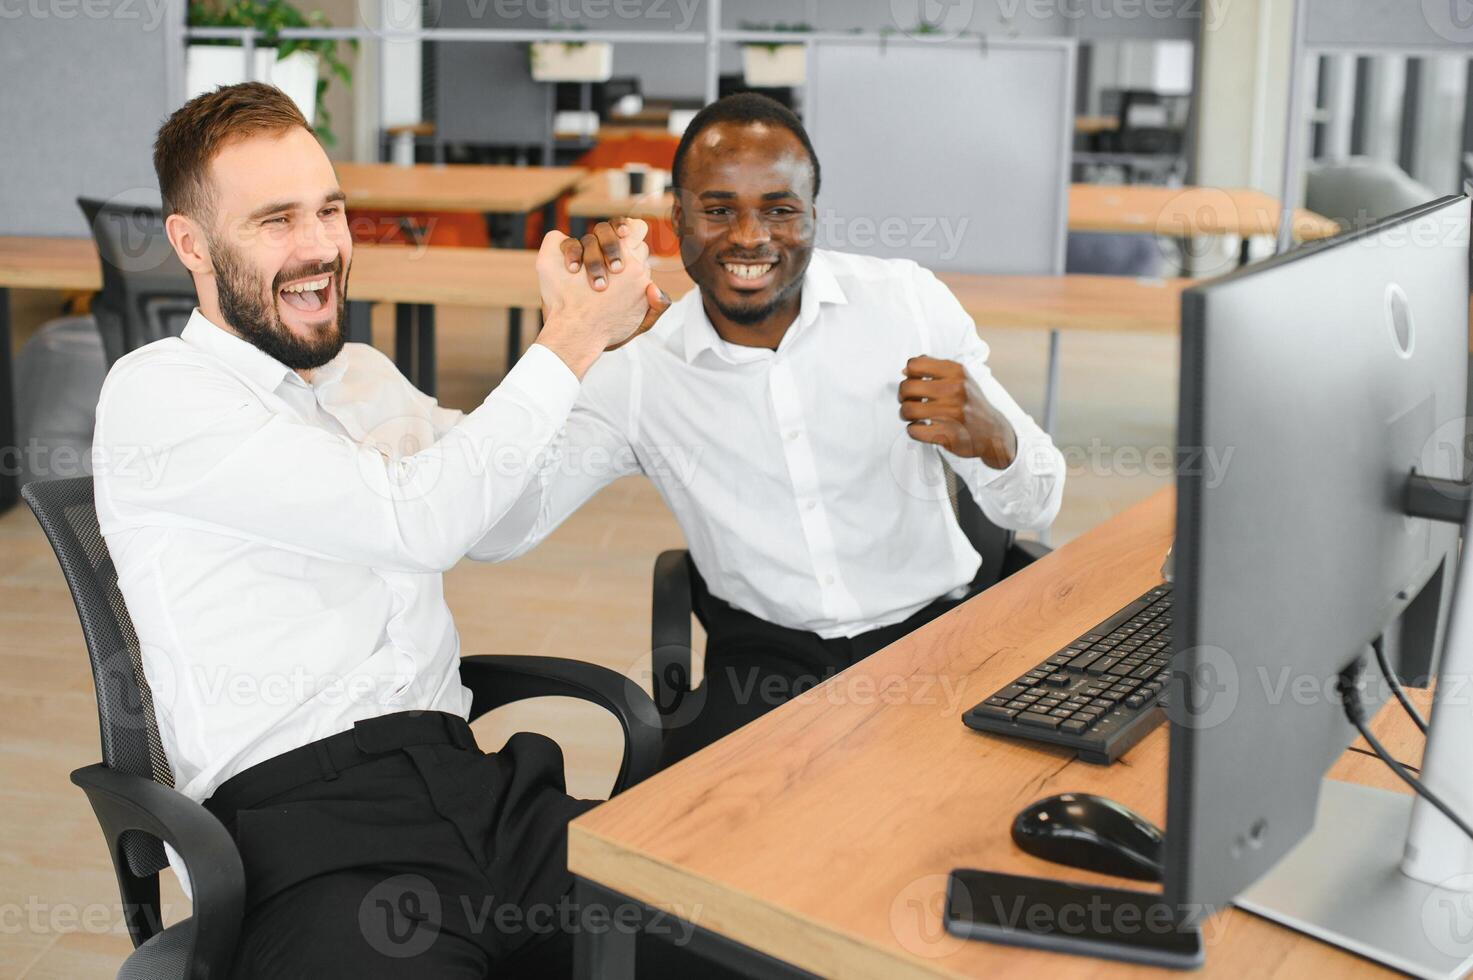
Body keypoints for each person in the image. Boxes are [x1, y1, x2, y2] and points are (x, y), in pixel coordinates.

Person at [93, 82, 670, 977]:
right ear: (190, 244)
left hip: (478, 791)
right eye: (276, 220)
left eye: (330, 210)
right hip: (312, 837)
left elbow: (499, 519)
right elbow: (420, 523)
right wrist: (566, 342)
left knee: (733, 933)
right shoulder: (158, 394)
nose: (322, 246)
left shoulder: (360, 375)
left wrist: (605, 351)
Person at [505, 93, 1067, 763]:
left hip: (937, 636)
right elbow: (500, 531)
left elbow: (1038, 504)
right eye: (718, 210)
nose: (749, 237)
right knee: (702, 844)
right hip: (764, 662)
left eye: (779, 209)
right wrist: (572, 339)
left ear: (812, 216)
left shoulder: (903, 303)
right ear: (676, 217)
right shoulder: (638, 368)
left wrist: (994, 440)